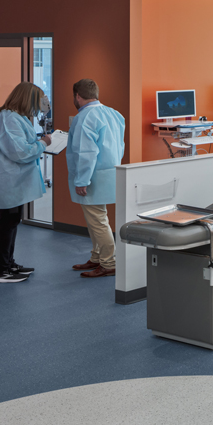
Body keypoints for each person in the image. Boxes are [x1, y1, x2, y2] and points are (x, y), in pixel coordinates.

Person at [0, 82, 51, 283]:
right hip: (8, 179)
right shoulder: (8, 119)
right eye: (37, 101)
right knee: (7, 222)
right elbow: (19, 152)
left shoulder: (15, 118)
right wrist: (43, 143)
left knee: (12, 220)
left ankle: (9, 263)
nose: (39, 106)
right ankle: (0, 270)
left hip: (13, 179)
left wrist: (38, 144)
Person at [67, 78, 126, 278]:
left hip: (92, 176)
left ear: (77, 95)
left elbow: (86, 152)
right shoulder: (114, 114)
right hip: (110, 173)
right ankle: (97, 257)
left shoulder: (84, 117)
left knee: (98, 220)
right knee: (96, 219)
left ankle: (109, 262)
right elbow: (120, 146)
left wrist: (82, 180)